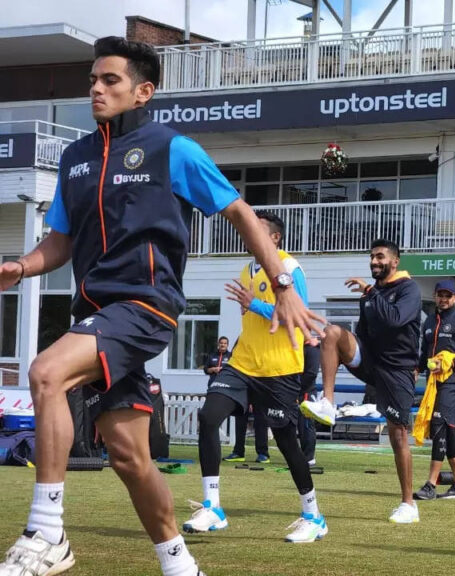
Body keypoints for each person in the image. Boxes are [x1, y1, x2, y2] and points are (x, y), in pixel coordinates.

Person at [0, 37, 322, 576]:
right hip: (95, 315)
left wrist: (283, 283)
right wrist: (20, 267)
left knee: (46, 373)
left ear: (143, 92)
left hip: (145, 305)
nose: (96, 89)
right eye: (92, 80)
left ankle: (47, 532)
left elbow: (241, 214)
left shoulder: (172, 149)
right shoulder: (77, 159)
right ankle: (180, 564)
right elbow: (58, 243)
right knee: (129, 456)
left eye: (110, 81)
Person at [184, 211, 327, 543]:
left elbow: (300, 316)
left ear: (274, 238)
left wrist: (257, 306)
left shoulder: (290, 269)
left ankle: (313, 515)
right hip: (243, 363)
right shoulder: (247, 269)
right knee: (208, 417)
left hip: (279, 370)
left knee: (286, 442)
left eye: (257, 230)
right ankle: (213, 507)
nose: (248, 234)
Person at [301, 239, 423, 523]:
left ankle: (409, 505)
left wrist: (370, 292)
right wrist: (345, 348)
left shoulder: (409, 289)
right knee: (331, 332)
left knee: (397, 435)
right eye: (371, 257)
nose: (374, 262)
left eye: (380, 257)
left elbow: (394, 320)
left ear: (395, 261)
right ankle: (327, 403)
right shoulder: (369, 295)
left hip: (397, 370)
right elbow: (365, 334)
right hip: (372, 363)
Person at [412, 279, 455, 501]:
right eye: (439, 295)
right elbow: (425, 355)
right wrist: (416, 369)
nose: (443, 299)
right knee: (448, 431)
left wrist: (453, 362)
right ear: (435, 296)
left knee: (439, 425)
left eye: (447, 295)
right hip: (434, 384)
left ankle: (430, 485)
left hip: (453, 383)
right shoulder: (429, 322)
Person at [208, 338, 270, 464]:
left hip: (259, 390)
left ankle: (263, 453)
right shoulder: (238, 353)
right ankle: (238, 452)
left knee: (261, 422)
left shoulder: (262, 352)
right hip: (242, 391)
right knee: (240, 422)